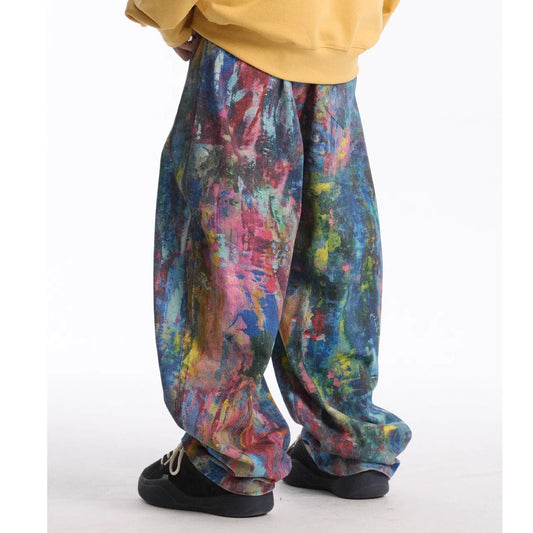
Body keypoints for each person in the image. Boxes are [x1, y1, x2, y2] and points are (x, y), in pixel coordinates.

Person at [124, 0, 412, 518]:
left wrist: (170, 18)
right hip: (335, 60)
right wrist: (345, 25)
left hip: (241, 55)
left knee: (228, 260)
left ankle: (229, 459)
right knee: (332, 260)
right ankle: (347, 445)